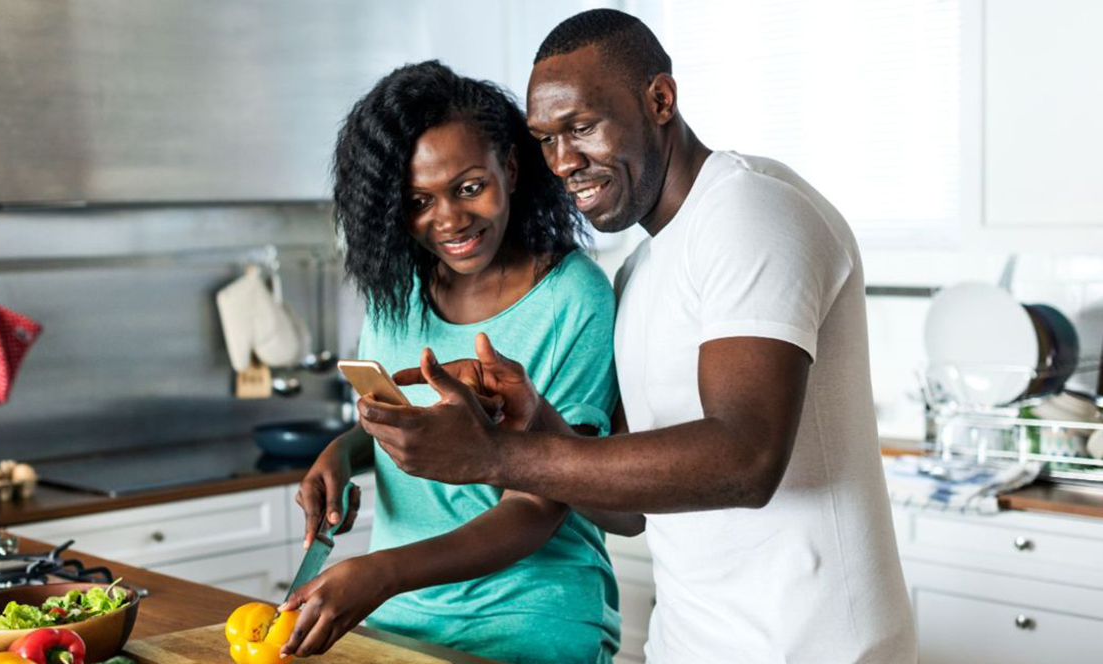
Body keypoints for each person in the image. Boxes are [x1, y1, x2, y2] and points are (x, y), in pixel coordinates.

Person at [357, 9, 918, 664]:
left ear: (660, 99)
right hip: (693, 644)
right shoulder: (641, 269)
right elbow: (626, 512)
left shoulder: (750, 212)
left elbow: (745, 459)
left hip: (815, 647)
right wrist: (539, 420)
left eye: (582, 127)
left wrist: (495, 456)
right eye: (546, 139)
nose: (564, 162)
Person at [279, 61, 625, 664]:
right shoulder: (397, 296)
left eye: (469, 187)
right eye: (418, 200)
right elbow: (402, 419)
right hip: (398, 621)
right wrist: (345, 452)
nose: (450, 220)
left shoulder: (574, 299)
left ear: (511, 169)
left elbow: (540, 502)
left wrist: (380, 573)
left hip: (528, 619)